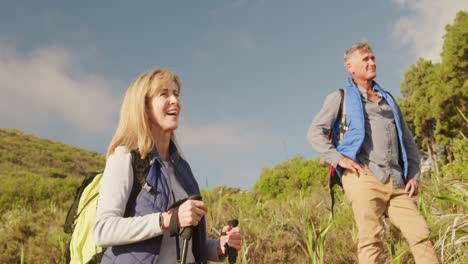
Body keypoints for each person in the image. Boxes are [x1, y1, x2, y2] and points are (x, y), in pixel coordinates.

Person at [307, 41, 438, 264]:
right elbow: (314, 133)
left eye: (373, 58)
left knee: (421, 235)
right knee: (371, 239)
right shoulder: (340, 97)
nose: (372, 62)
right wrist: (340, 160)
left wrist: (414, 176)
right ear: (351, 68)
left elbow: (408, 142)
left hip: (396, 181)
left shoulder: (388, 100)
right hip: (363, 177)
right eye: (365, 59)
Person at [93, 69, 242, 263]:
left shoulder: (182, 168)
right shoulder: (124, 157)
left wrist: (219, 247)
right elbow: (103, 230)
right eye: (164, 94)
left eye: (176, 94)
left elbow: (184, 244)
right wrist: (165, 220)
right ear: (143, 106)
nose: (175, 101)